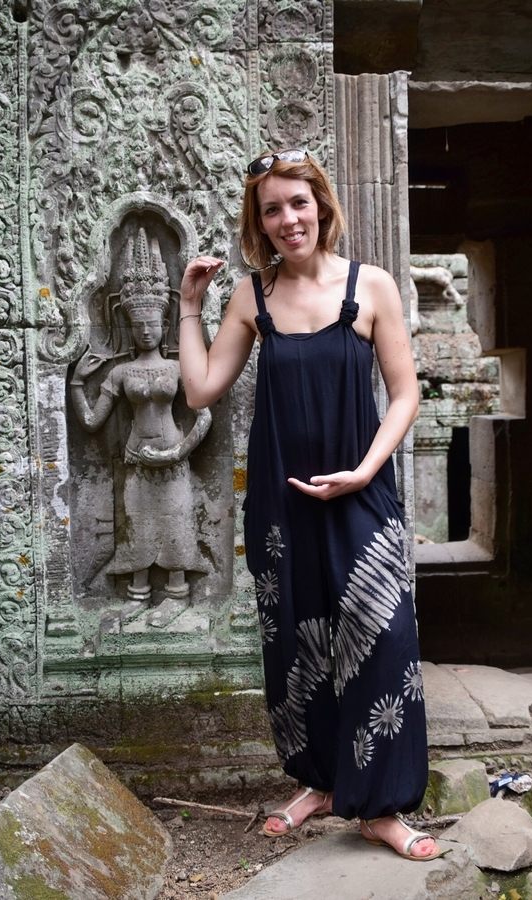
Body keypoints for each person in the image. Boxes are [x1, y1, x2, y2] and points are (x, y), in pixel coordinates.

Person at [178, 149, 442, 860]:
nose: (288, 219)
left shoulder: (370, 287)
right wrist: (189, 305)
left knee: (381, 641)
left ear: (321, 206)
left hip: (363, 491)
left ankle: (381, 809)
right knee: (298, 644)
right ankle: (321, 783)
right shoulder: (252, 297)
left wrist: (364, 471)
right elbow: (201, 390)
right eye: (272, 209)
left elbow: (406, 395)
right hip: (282, 505)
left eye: (299, 203)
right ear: (259, 222)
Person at [71, 229, 211, 624]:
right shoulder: (120, 372)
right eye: (138, 326)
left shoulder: (178, 368)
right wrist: (77, 383)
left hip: (173, 459)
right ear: (129, 326)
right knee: (137, 524)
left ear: (164, 324)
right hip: (136, 458)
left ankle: (177, 593)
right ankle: (138, 592)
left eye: (152, 324)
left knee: (176, 522)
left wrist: (178, 451)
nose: (145, 331)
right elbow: (92, 421)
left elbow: (204, 416)